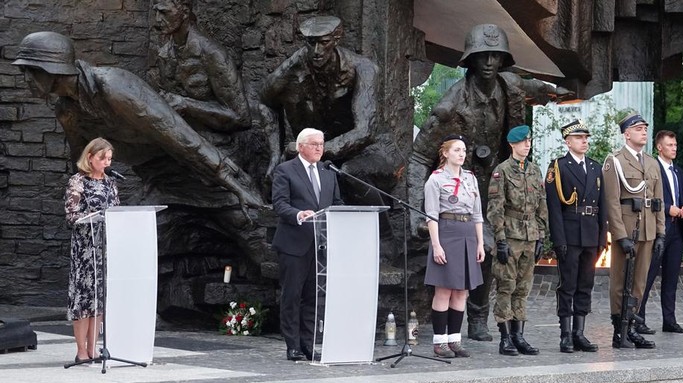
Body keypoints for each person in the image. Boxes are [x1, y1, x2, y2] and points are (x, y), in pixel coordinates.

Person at [407, 24, 571, 342]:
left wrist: (559, 92)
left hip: (496, 184)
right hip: (460, 187)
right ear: (470, 60)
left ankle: (478, 319)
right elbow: (417, 159)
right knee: (462, 252)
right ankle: (447, 321)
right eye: (483, 55)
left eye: (496, 55)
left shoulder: (509, 85)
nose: (490, 62)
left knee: (491, 252)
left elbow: (533, 86)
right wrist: (418, 213)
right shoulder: (449, 105)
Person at [12, 31, 265, 220]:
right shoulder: (67, 110)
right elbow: (83, 161)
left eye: (30, 71)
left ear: (51, 69)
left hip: (201, 161)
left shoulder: (113, 86)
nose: (26, 79)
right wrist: (85, 197)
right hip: (161, 174)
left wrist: (235, 184)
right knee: (132, 233)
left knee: (248, 220)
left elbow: (181, 136)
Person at [260, 16, 397, 220]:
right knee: (289, 177)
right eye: (311, 43)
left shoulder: (363, 68)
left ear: (336, 39)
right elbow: (266, 102)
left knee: (350, 172)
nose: (316, 51)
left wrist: (316, 152)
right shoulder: (292, 67)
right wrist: (274, 156)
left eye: (323, 43)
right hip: (316, 151)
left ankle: (384, 236)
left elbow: (365, 131)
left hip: (369, 150)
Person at [271, 128, 343, 361]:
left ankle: (308, 344)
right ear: (300, 147)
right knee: (292, 296)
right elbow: (280, 204)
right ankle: (292, 345)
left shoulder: (328, 172)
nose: (319, 148)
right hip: (293, 244)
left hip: (321, 245)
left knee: (313, 298)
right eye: (314, 144)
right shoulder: (285, 170)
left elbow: (336, 203)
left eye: (321, 144)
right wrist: (299, 214)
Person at [602, 111, 665, 349]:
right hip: (627, 230)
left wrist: (661, 233)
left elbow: (658, 201)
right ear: (626, 134)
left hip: (648, 229)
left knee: (638, 282)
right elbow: (611, 202)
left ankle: (633, 326)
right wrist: (620, 235)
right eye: (638, 129)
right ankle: (620, 329)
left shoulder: (651, 163)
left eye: (645, 128)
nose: (644, 132)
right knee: (620, 281)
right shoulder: (615, 161)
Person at [544, 120, 607, 353]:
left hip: (591, 233)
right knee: (567, 285)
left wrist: (602, 237)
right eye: (580, 138)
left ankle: (580, 333)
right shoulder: (558, 168)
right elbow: (554, 208)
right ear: (568, 142)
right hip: (570, 234)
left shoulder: (595, 167)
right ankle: (565, 334)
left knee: (585, 284)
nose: (584, 141)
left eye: (586, 138)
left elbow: (603, 205)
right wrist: (558, 240)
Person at [487, 125, 547, 356]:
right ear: (513, 145)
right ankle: (505, 338)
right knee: (506, 286)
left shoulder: (534, 170)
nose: (527, 145)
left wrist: (541, 235)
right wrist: (500, 239)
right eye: (523, 142)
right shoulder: (501, 171)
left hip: (530, 236)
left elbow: (542, 204)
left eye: (529, 141)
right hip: (510, 236)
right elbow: (495, 208)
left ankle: (518, 335)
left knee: (523, 288)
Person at [424, 135, 486, 358]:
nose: (462, 154)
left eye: (464, 150)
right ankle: (439, 341)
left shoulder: (470, 178)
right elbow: (431, 215)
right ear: (446, 153)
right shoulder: (436, 180)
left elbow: (477, 214)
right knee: (444, 289)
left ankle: (454, 340)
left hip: (468, 233)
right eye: (457, 150)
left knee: (462, 290)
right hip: (446, 232)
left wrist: (480, 243)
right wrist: (437, 245)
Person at [150, 0, 251, 133]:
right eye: (155, 12)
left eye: (164, 12)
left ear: (185, 11)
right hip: (177, 137)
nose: (157, 19)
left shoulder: (213, 54)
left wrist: (186, 105)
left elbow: (242, 118)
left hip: (215, 144)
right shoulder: (164, 53)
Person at [64, 137, 120, 363]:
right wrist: (91, 218)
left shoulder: (110, 183)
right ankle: (81, 351)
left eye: (109, 158)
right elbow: (71, 215)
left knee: (99, 299)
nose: (107, 162)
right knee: (83, 299)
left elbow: (116, 211)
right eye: (102, 158)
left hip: (104, 248)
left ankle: (94, 348)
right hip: (85, 249)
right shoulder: (78, 182)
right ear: (90, 157)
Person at [636, 130, 683, 335]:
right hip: (658, 228)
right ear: (660, 147)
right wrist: (668, 208)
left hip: (677, 230)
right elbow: (647, 197)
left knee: (671, 277)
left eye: (675, 145)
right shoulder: (652, 168)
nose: (674, 148)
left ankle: (670, 320)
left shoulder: (678, 171)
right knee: (648, 275)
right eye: (670, 145)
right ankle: (638, 318)